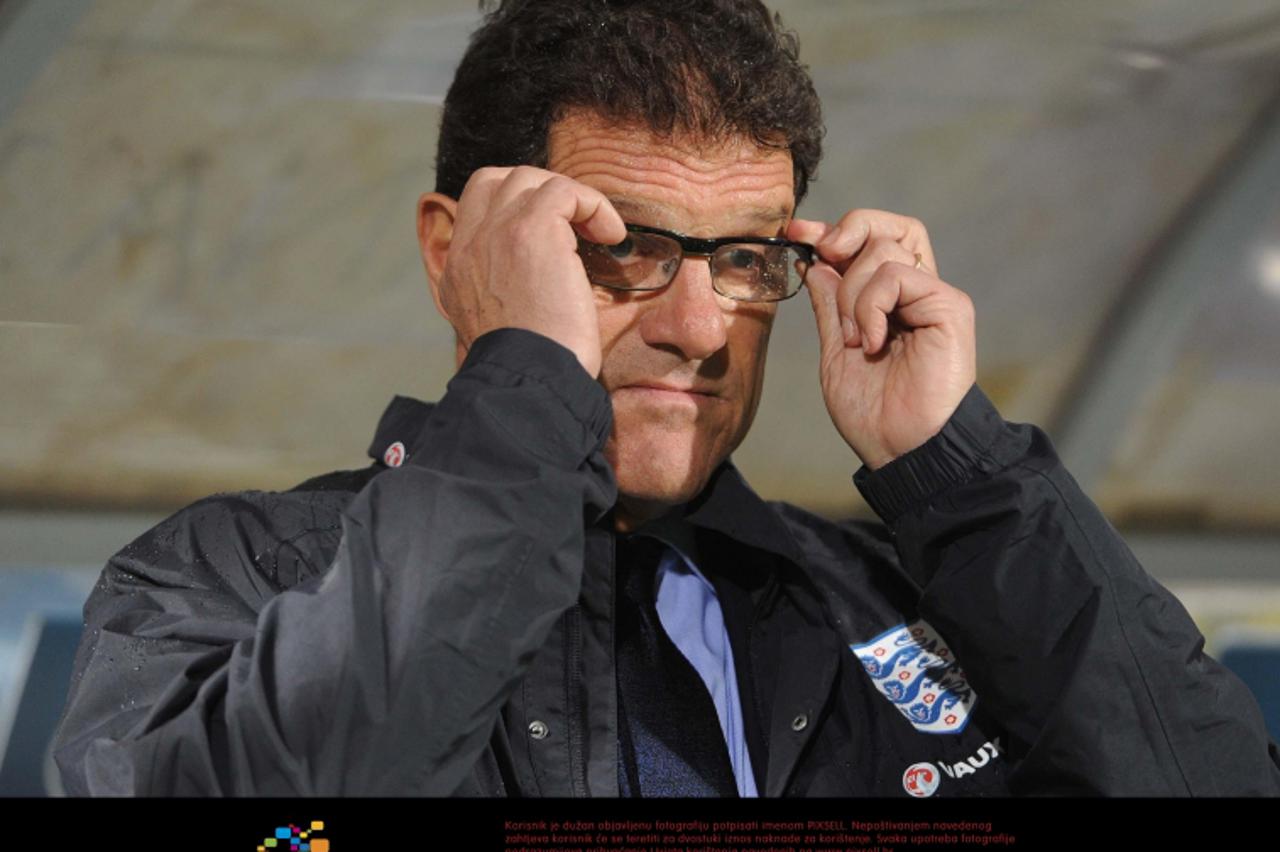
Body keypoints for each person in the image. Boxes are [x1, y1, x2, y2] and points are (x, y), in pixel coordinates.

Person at [52, 0, 1280, 797]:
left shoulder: (919, 591)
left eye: (746, 259)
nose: (697, 328)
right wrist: (523, 389)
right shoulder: (228, 579)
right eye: (616, 246)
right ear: (456, 253)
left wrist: (958, 472)